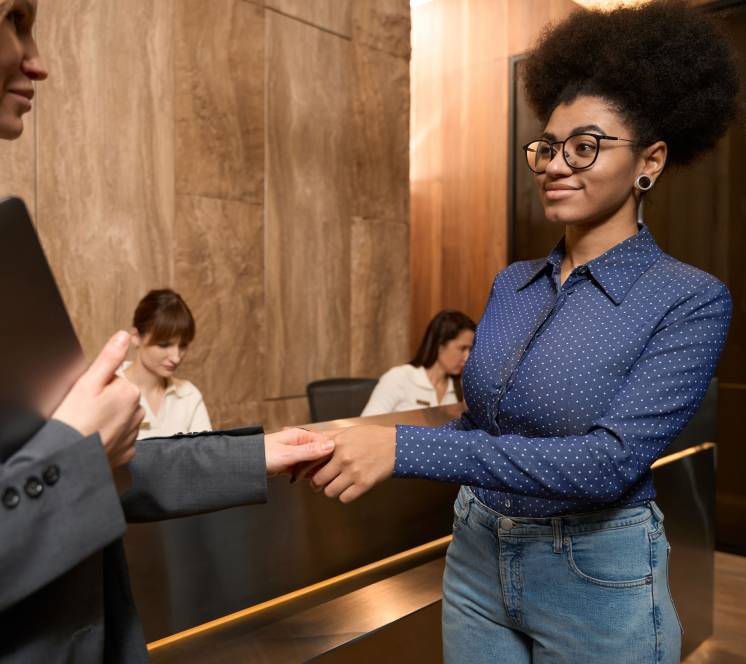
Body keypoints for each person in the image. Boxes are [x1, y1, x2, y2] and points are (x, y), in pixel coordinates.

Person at [0, 1, 333, 660]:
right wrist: (65, 459)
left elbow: (55, 462)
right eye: (15, 23)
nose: (40, 62)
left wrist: (260, 453)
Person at [307, 3, 737, 662]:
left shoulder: (689, 299)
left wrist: (403, 450)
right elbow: (487, 427)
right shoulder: (512, 284)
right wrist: (362, 439)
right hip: (478, 548)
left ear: (649, 160)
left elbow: (607, 464)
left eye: (585, 146)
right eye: (546, 145)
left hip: (597, 572)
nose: (554, 164)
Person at [120, 289, 212, 437]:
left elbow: (207, 456)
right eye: (164, 345)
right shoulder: (107, 390)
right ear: (136, 337)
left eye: (183, 346)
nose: (176, 358)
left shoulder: (188, 395)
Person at [361, 310, 475, 416]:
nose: (467, 357)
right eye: (462, 349)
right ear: (440, 345)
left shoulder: (460, 387)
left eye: (470, 350)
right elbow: (364, 427)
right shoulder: (399, 378)